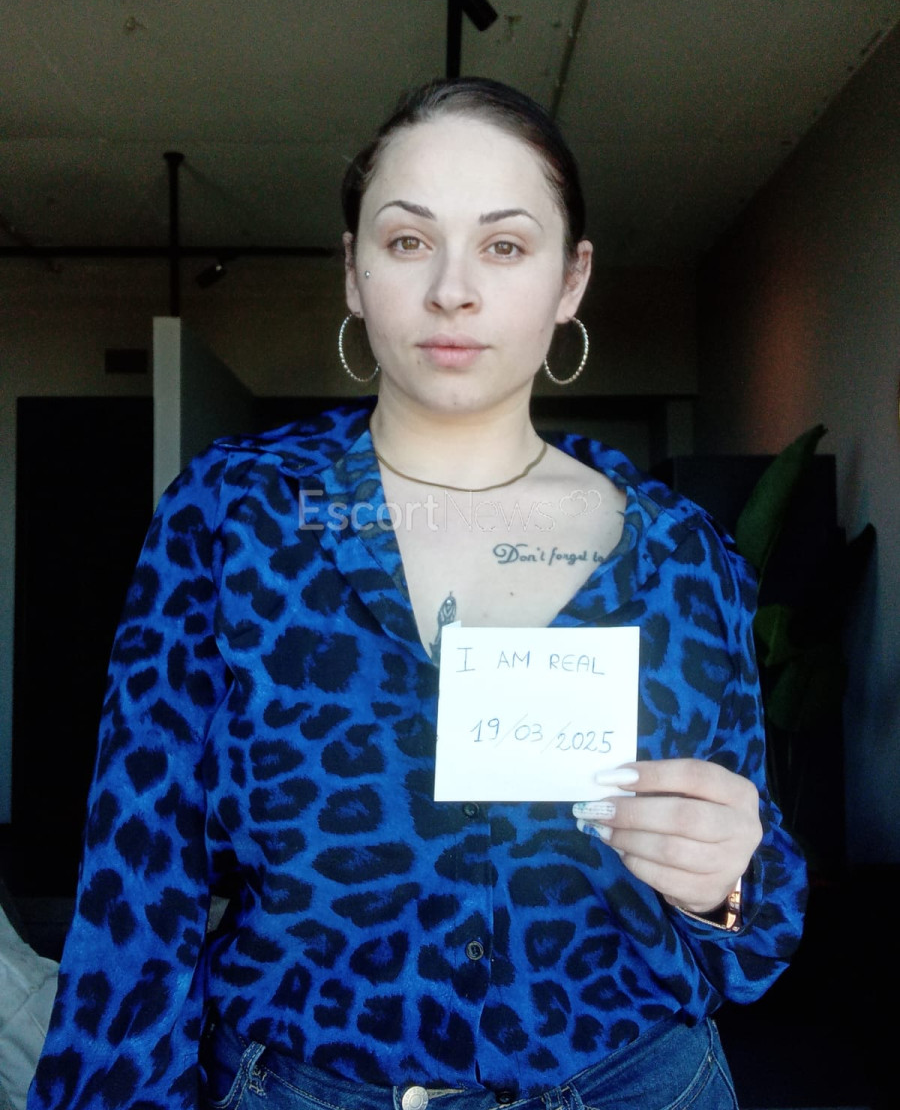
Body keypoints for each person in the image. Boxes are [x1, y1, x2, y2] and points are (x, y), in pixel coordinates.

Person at [27, 77, 806, 1110]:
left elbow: (757, 920)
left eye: (505, 245)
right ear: (354, 271)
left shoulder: (681, 560)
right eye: (408, 241)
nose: (453, 290)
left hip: (638, 1082)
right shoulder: (235, 516)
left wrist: (726, 886)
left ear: (571, 279)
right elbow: (139, 876)